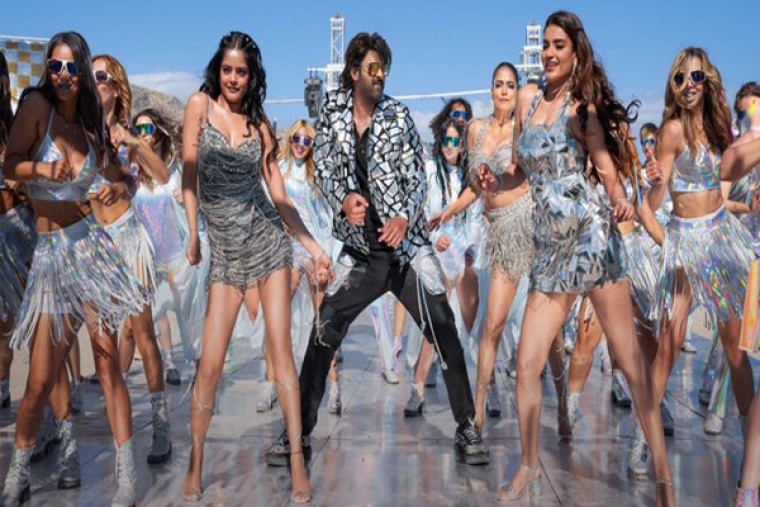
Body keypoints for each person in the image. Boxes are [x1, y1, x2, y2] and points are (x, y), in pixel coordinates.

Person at [265, 31, 490, 469]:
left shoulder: (398, 116)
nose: (379, 74)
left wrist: (404, 215)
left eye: (384, 67)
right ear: (353, 72)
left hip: (405, 253)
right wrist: (344, 198)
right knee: (323, 334)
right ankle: (297, 432)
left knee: (444, 329)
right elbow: (325, 169)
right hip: (359, 254)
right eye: (372, 67)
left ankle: (466, 426)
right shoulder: (332, 114)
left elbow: (416, 178)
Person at [480, 12, 673, 504]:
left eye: (559, 45)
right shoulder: (528, 100)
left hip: (591, 239)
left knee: (630, 363)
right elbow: (520, 172)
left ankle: (663, 476)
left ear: (575, 52)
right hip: (550, 249)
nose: (549, 52)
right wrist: (493, 181)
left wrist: (620, 197)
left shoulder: (581, 109)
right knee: (527, 365)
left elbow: (605, 167)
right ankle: (528, 465)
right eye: (545, 44)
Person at [180, 31, 331, 504]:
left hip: (267, 244)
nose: (233, 78)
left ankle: (297, 459)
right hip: (225, 253)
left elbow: (280, 197)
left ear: (252, 76)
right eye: (227, 69)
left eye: (241, 72)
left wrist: (312, 246)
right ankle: (196, 459)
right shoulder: (198, 107)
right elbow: (189, 176)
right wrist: (193, 234)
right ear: (217, 69)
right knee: (210, 365)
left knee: (281, 353)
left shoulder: (260, 125)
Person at [1, 31, 150, 507]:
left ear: (81, 73)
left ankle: (126, 475)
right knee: (39, 380)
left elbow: (126, 179)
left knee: (107, 364)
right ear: (47, 69)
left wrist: (118, 190)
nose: (62, 75)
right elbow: (11, 162)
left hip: (91, 249)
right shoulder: (36, 108)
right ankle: (18, 473)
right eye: (55, 66)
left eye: (70, 67)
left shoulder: (89, 127)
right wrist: (42, 172)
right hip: (51, 255)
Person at [645, 46, 755, 472]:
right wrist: (657, 186)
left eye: (695, 77)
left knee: (735, 349)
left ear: (707, 81)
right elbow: (652, 204)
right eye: (680, 78)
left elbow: (728, 179)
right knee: (669, 346)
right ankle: (643, 441)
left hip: (719, 239)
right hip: (684, 243)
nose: (688, 85)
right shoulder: (672, 130)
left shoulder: (718, 129)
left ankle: (751, 449)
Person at [90, 54, 172, 466]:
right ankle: (113, 427)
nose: (94, 81)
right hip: (92, 248)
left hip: (129, 241)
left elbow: (162, 175)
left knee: (142, 335)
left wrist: (135, 143)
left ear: (116, 86)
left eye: (101, 76)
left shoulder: (125, 136)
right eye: (90, 75)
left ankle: (160, 424)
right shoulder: (79, 131)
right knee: (101, 347)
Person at [257, 119, 343, 414]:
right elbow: (268, 205)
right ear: (289, 139)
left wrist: (325, 255)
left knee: (323, 320)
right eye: (297, 138)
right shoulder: (278, 170)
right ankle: (270, 382)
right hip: (286, 249)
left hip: (314, 248)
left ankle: (333, 385)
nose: (301, 145)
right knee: (276, 317)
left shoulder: (316, 175)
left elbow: (329, 216)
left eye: (308, 141)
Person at [403, 116, 480, 417]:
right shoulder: (430, 171)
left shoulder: (470, 177)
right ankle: (417, 388)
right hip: (436, 254)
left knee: (475, 322)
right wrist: (436, 239)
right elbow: (422, 213)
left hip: (465, 255)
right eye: (445, 140)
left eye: (455, 141)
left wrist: (470, 250)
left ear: (463, 145)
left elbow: (476, 219)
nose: (449, 146)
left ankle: (489, 388)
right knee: (436, 322)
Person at [715, 81, 760, 507]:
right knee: (732, 351)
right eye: (745, 111)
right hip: (740, 256)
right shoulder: (744, 145)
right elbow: (723, 183)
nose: (751, 115)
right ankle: (748, 483)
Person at [0, 49, 36, 412]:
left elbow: (39, 185)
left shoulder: (17, 129)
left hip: (20, 230)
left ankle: (43, 406)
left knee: (24, 320)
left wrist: (23, 185)